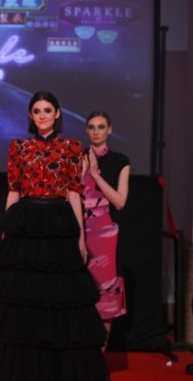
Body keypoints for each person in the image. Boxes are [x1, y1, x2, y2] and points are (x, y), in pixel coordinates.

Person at [0, 91, 109, 380]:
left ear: (57, 113)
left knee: (60, 296)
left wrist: (81, 238)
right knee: (22, 297)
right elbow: (13, 191)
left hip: (59, 222)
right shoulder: (19, 147)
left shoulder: (72, 147)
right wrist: (7, 230)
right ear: (31, 116)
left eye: (47, 110)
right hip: (26, 222)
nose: (42, 115)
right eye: (37, 111)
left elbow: (74, 193)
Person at [82, 110, 130, 350]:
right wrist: (84, 170)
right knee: (80, 296)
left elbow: (120, 201)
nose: (96, 131)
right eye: (91, 127)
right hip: (81, 235)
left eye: (101, 127)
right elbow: (71, 195)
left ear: (109, 130)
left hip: (106, 239)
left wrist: (95, 175)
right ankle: (80, 357)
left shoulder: (120, 161)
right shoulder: (77, 157)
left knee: (106, 299)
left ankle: (99, 357)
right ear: (86, 130)